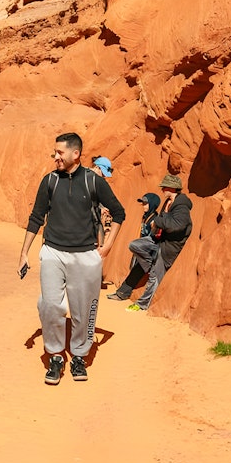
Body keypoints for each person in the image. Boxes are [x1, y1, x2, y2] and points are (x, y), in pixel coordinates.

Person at [18, 133, 125, 385]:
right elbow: (36, 217)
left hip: (85, 254)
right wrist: (24, 252)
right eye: (54, 152)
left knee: (83, 310)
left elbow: (119, 212)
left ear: (75, 154)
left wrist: (107, 246)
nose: (55, 156)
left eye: (59, 153)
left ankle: (78, 354)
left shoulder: (92, 181)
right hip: (53, 251)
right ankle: (55, 355)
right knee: (51, 305)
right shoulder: (49, 181)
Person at [107, 174, 192, 310]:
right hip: (159, 240)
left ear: (172, 188)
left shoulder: (182, 206)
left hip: (168, 246)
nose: (163, 189)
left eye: (164, 187)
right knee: (135, 245)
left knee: (155, 276)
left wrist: (157, 222)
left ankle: (142, 304)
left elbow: (178, 225)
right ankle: (149, 266)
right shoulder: (169, 202)